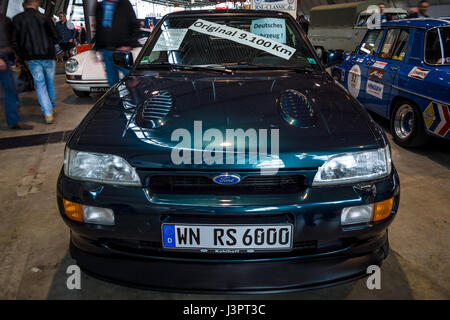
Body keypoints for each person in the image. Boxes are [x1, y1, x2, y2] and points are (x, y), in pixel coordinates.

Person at [12, 0, 61, 124]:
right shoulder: (45, 18)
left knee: (40, 85)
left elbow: (15, 42)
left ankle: (48, 113)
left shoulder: (17, 19)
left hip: (32, 58)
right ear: (35, 3)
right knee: (50, 82)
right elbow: (57, 37)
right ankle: (53, 105)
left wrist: (23, 57)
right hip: (49, 56)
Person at [0, 7, 33, 130]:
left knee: (11, 91)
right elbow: (12, 42)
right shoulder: (5, 20)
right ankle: (13, 120)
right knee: (10, 91)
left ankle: (13, 120)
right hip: (3, 59)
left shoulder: (6, 20)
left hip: (6, 59)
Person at [95, 0, 140, 87]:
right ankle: (117, 100)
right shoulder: (99, 7)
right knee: (112, 83)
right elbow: (98, 29)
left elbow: (135, 25)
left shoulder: (124, 4)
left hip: (121, 51)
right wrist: (97, 49)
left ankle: (137, 99)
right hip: (106, 51)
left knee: (133, 80)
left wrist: (129, 44)